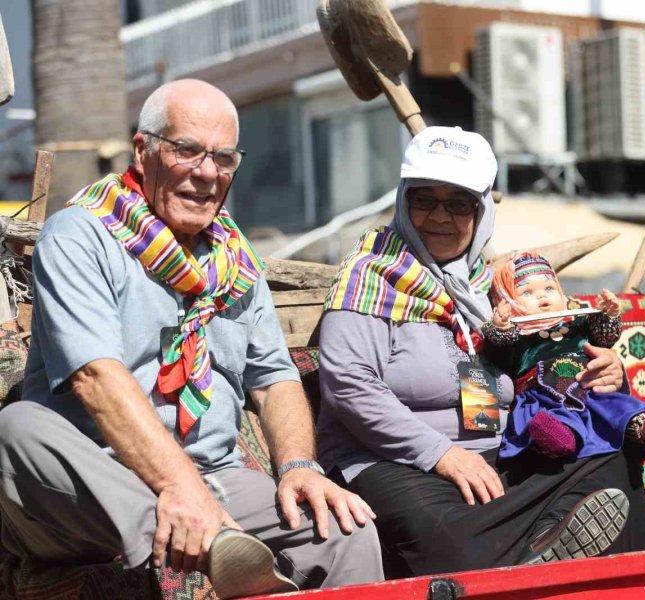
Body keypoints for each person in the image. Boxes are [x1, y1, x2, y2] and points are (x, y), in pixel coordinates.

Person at [0, 79, 382, 598]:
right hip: (96, 480)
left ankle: (214, 538)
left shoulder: (234, 258)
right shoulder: (79, 235)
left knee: (342, 529)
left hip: (216, 477)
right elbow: (95, 375)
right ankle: (208, 545)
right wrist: (177, 487)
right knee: (16, 427)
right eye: (187, 151)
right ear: (143, 151)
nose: (206, 173)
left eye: (223, 158)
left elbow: (274, 377)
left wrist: (299, 466)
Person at [317, 126, 645, 576]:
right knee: (451, 538)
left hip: (497, 451)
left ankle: (548, 556)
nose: (439, 216)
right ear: (402, 200)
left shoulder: (488, 290)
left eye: (458, 204)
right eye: (424, 200)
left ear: (481, 214)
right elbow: (349, 387)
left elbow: (545, 361)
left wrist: (603, 371)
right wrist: (441, 454)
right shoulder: (369, 277)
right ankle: (539, 552)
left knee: (613, 466)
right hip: (391, 459)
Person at [482, 251, 645, 460]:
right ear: (507, 302)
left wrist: (607, 314)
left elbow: (604, 339)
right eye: (527, 293)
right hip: (545, 395)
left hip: (589, 388)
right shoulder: (518, 339)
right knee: (550, 417)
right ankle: (559, 442)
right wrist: (501, 328)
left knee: (616, 405)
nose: (542, 296)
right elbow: (497, 356)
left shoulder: (575, 325)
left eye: (549, 288)